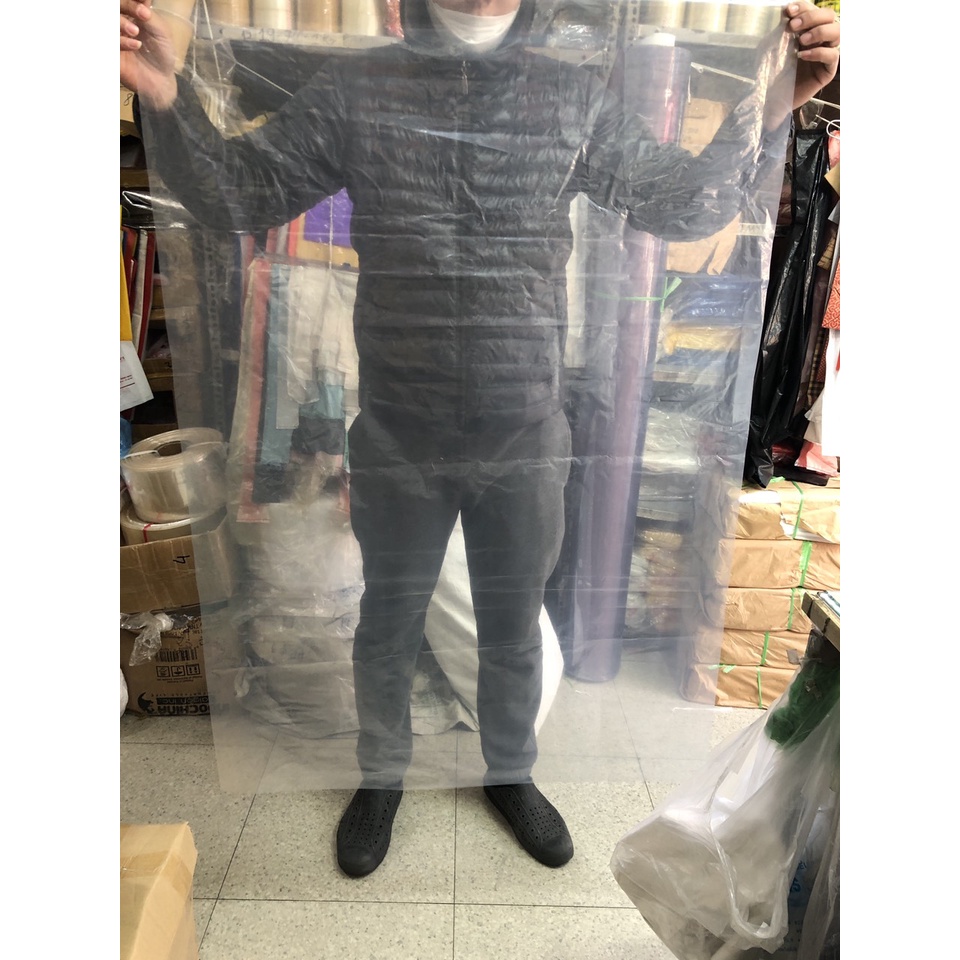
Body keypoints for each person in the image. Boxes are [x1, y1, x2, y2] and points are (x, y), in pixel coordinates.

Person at [120, 0, 839, 878]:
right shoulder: (360, 89)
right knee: (387, 624)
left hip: (522, 428)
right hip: (400, 428)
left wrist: (770, 105)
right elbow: (239, 191)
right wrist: (165, 97)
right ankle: (382, 775)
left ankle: (511, 772)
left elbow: (683, 204)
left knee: (510, 625)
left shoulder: (569, 96)